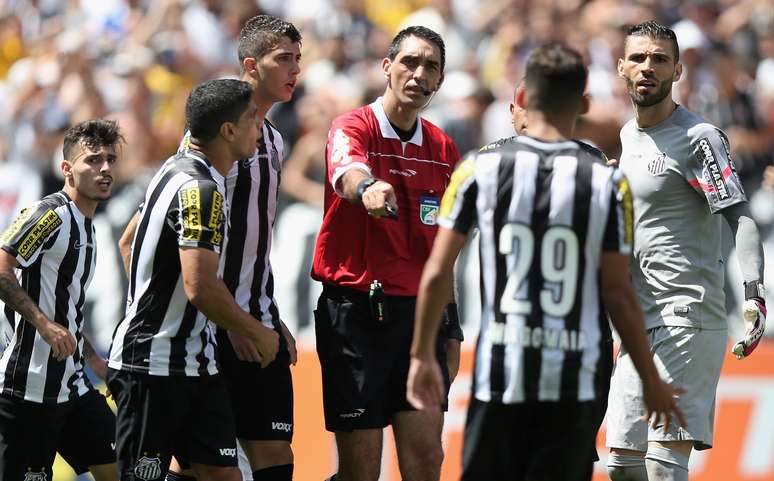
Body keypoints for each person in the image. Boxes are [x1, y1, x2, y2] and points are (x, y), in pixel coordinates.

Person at [406, 42, 685, 481]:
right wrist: (651, 380)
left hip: (502, 373)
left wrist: (423, 353)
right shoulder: (607, 182)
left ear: (522, 100)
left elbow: (439, 269)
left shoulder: (478, 168)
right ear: (584, 104)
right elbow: (617, 290)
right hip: (575, 379)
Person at [118, 15, 303, 481]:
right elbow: (137, 236)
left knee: (273, 459)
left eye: (298, 60)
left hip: (256, 318)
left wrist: (264, 310)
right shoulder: (209, 148)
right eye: (283, 59)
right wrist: (167, 312)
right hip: (209, 333)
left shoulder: (274, 140)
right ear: (251, 65)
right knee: (208, 466)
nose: (294, 70)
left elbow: (252, 244)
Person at [606, 21, 767, 481]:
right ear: (621, 68)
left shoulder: (699, 138)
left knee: (662, 465)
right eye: (638, 58)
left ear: (678, 70)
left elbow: (741, 217)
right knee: (621, 464)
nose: (647, 68)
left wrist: (754, 294)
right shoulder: (626, 138)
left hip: (687, 315)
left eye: (659, 59)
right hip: (639, 319)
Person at [311, 25, 463, 481]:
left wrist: (451, 323)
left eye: (430, 67)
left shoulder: (443, 148)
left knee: (426, 462)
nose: (418, 74)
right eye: (409, 62)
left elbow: (443, 250)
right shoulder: (353, 125)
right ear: (387, 67)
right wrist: (368, 187)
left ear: (439, 80)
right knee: (362, 471)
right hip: (355, 317)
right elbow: (347, 169)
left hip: (420, 322)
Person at [480, 78, 613, 480]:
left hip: (580, 337)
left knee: (571, 456)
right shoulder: (487, 161)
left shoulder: (594, 161)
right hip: (515, 334)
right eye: (525, 103)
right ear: (513, 110)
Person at [0, 119, 124, 481]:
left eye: (110, 160)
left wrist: (92, 360)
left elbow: (64, 310)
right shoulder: (50, 215)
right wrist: (43, 323)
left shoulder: (87, 225)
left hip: (72, 385)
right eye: (93, 160)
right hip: (28, 388)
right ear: (67, 169)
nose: (104, 169)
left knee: (121, 471)